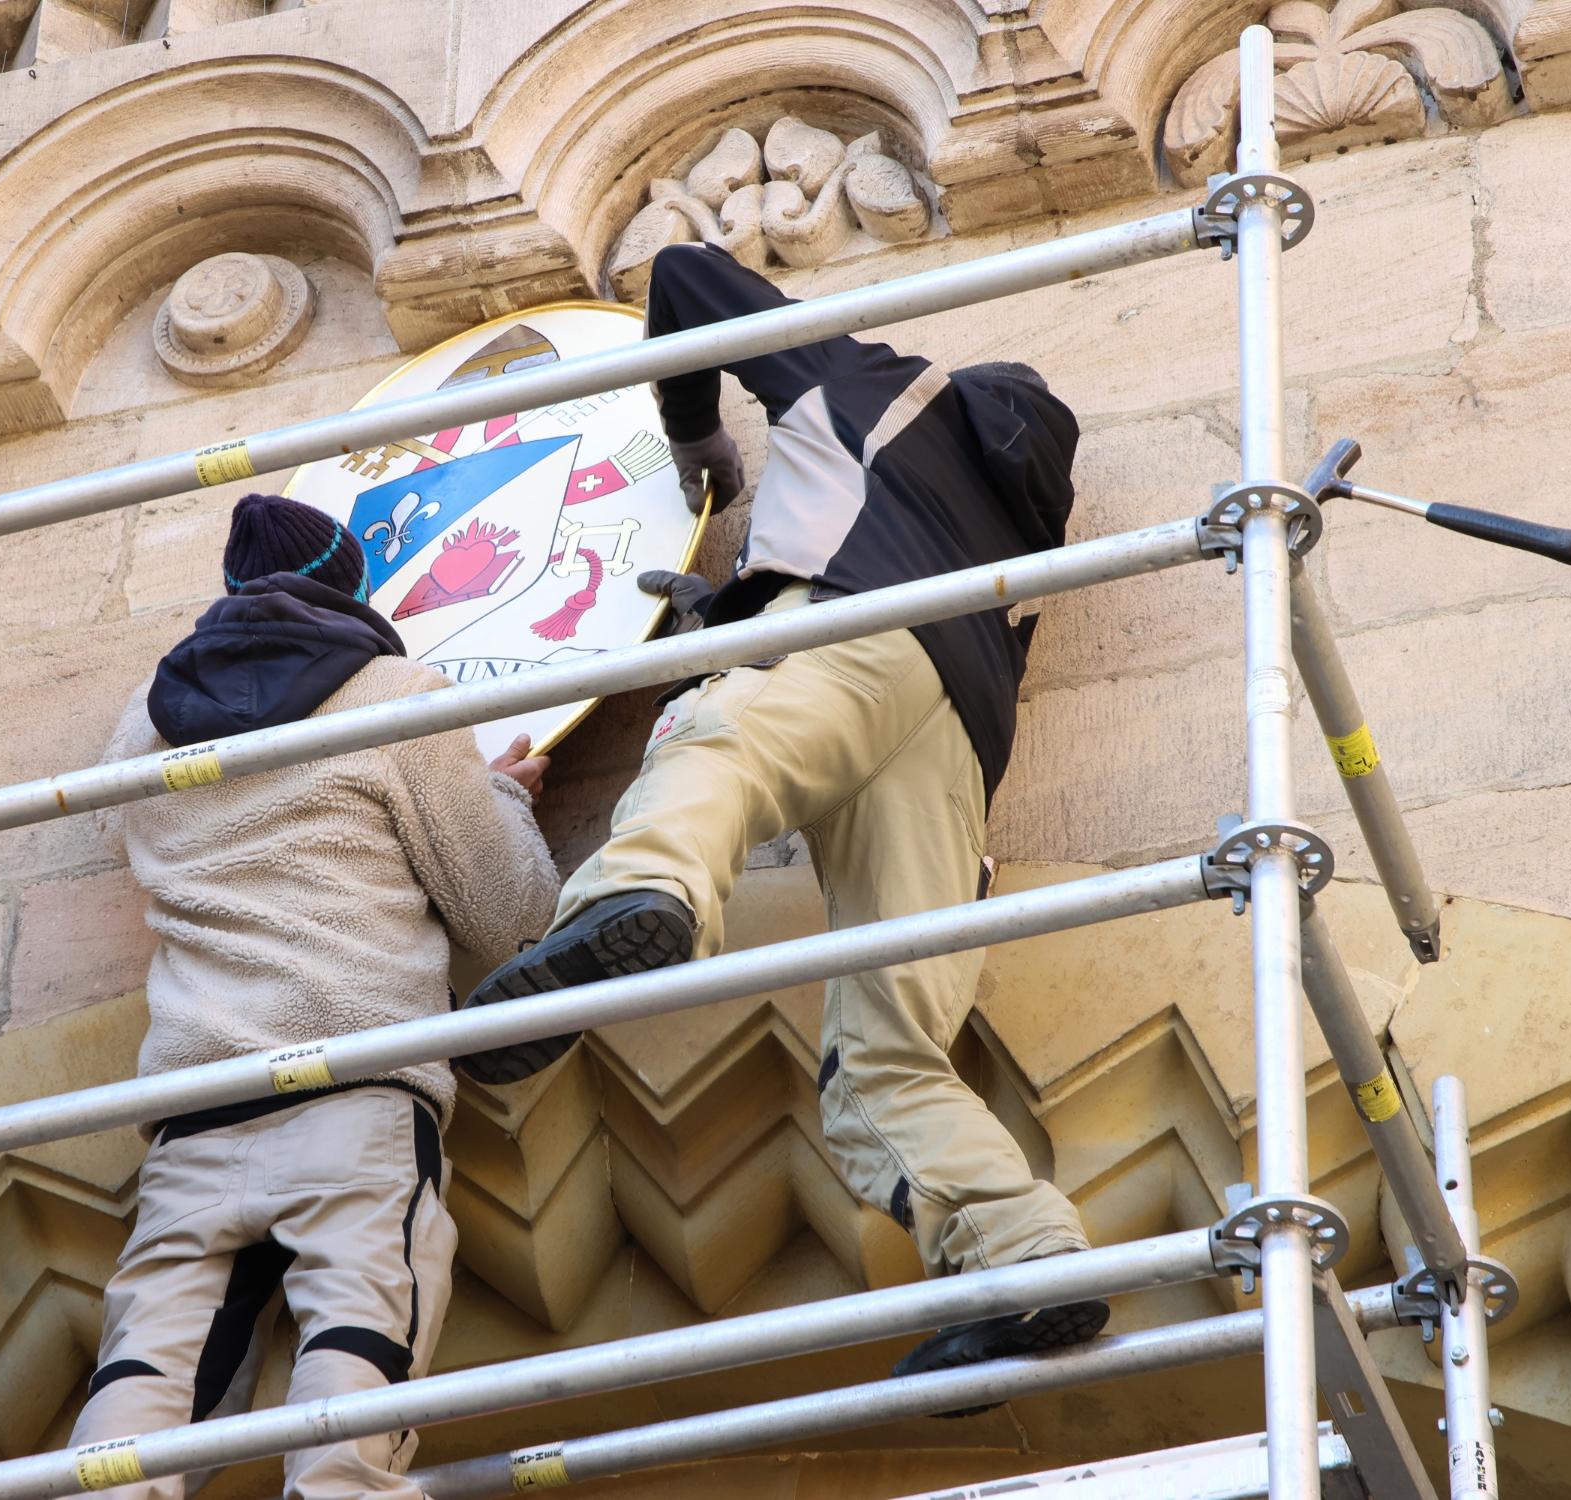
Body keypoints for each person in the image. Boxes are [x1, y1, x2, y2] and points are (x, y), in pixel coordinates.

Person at [460, 242, 1100, 1402]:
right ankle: (1026, 1258)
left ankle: (635, 898)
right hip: (953, 747)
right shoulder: (1018, 545)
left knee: (723, 746)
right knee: (887, 1055)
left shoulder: (872, 385)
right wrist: (737, 599)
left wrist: (698, 443)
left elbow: (684, 278)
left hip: (847, 633)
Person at [73, 493, 558, 1498]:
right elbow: (506, 914)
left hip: (195, 1109)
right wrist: (503, 793)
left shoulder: (145, 722)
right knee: (360, 1333)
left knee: (148, 1367)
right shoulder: (393, 692)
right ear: (351, 585)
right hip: (351, 1083)